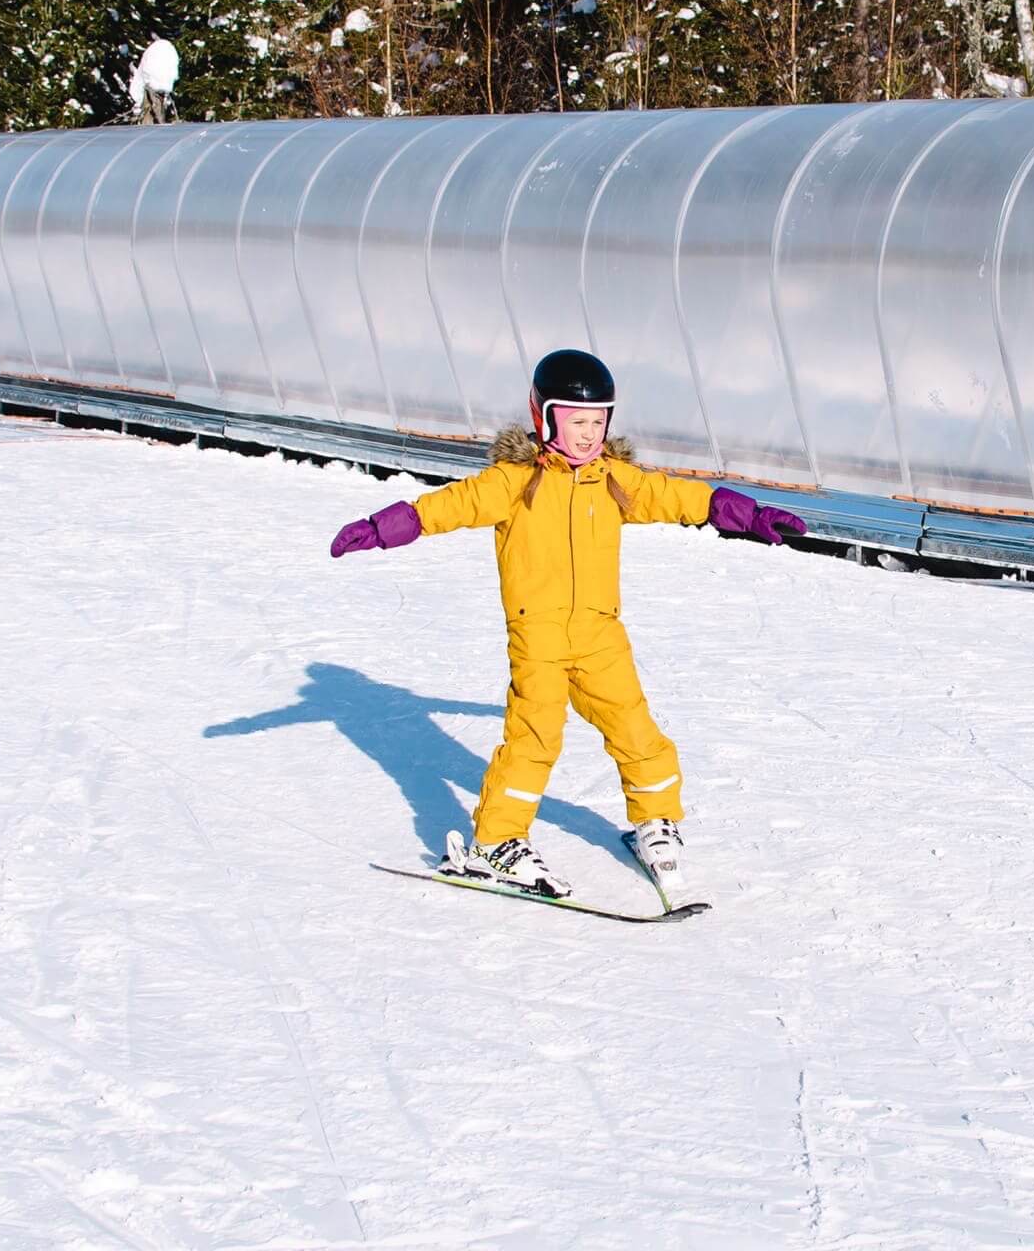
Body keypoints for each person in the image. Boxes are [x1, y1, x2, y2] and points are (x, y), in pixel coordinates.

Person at [330, 349, 807, 899]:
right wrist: (385, 525)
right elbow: (448, 506)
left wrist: (749, 514)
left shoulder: (615, 481)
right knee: (534, 739)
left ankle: (655, 820)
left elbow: (681, 497)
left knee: (636, 730)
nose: (589, 434)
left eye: (599, 421)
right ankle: (495, 843)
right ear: (545, 418)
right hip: (540, 636)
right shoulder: (515, 481)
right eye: (577, 421)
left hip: (601, 634)